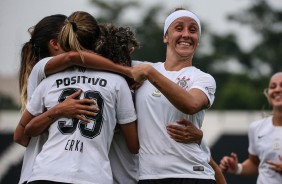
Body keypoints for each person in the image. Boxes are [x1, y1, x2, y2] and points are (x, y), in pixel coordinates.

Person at [20, 11, 139, 184]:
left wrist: (56, 112)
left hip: (46, 174)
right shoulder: (118, 82)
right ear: (98, 39)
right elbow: (134, 146)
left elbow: (25, 132)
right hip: (93, 177)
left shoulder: (48, 81)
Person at [131, 8, 216, 183]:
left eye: (193, 30)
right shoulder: (143, 68)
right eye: (179, 28)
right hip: (148, 176)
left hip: (191, 175)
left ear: (198, 41)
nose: (186, 34)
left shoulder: (203, 78)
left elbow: (191, 105)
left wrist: (149, 74)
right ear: (166, 37)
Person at [14, 14, 98, 184]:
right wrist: (124, 70)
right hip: (39, 173)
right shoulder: (42, 69)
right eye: (70, 36)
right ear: (55, 44)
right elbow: (20, 136)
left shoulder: (76, 73)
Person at [219, 72, 282, 184]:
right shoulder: (256, 127)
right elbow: (255, 163)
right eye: (273, 86)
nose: (277, 90)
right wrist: (237, 168)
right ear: (268, 92)